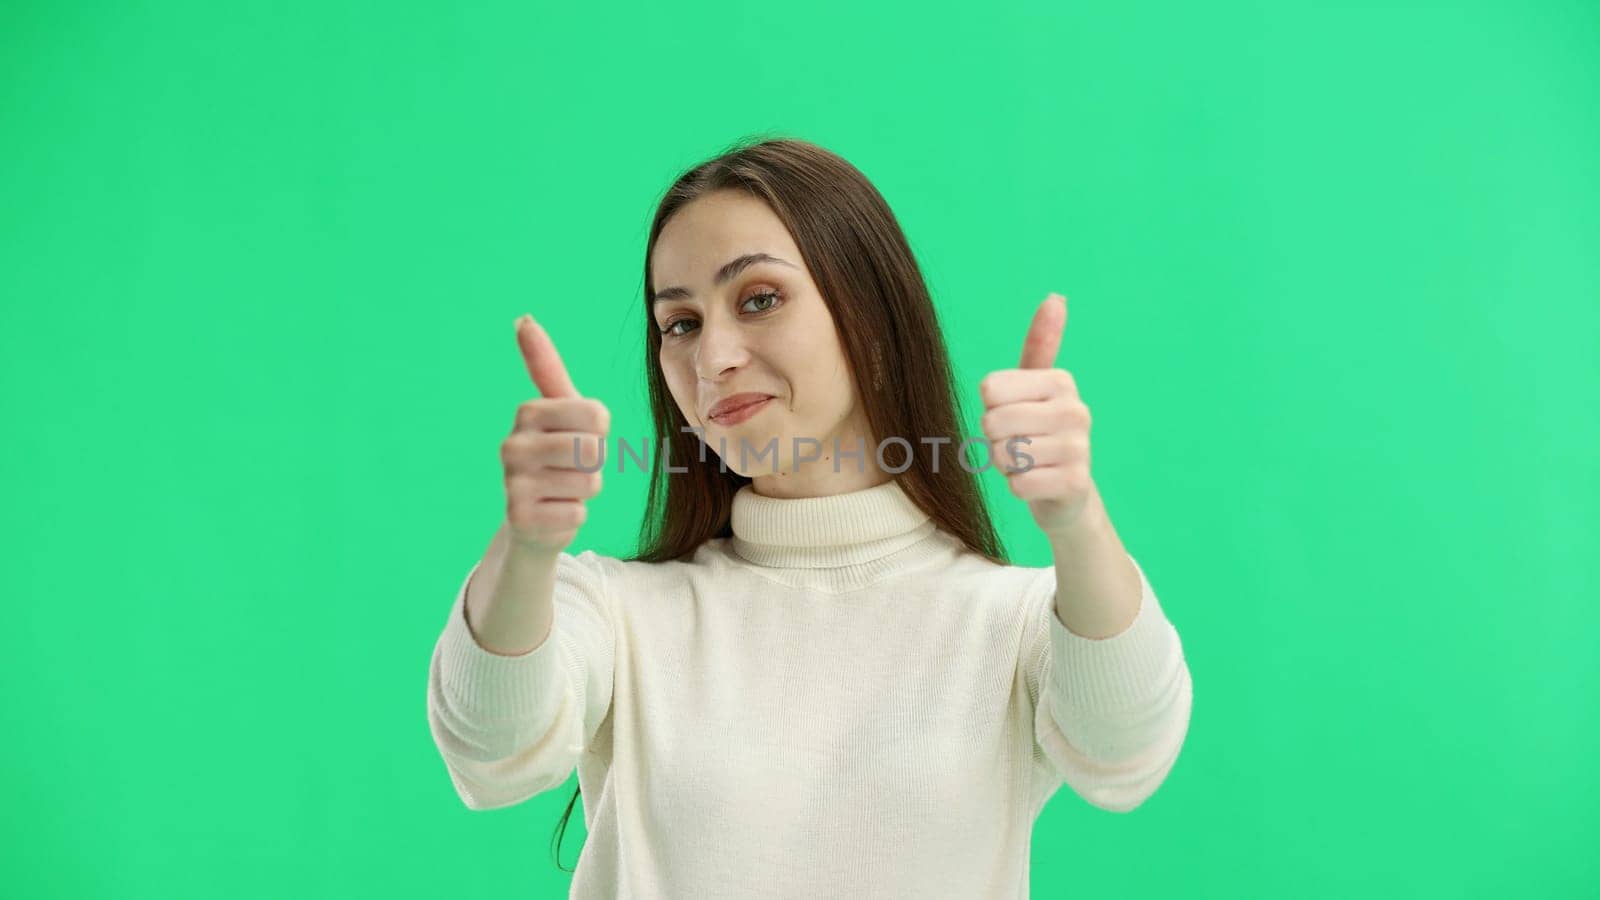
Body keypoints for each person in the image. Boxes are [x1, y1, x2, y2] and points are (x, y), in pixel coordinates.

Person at [426, 137, 1193, 899]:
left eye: (759, 298)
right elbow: (492, 750)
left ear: (872, 315)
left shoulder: (1013, 620)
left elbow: (1127, 750)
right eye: (680, 323)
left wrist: (1075, 518)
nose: (711, 358)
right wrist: (524, 546)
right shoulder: (617, 612)